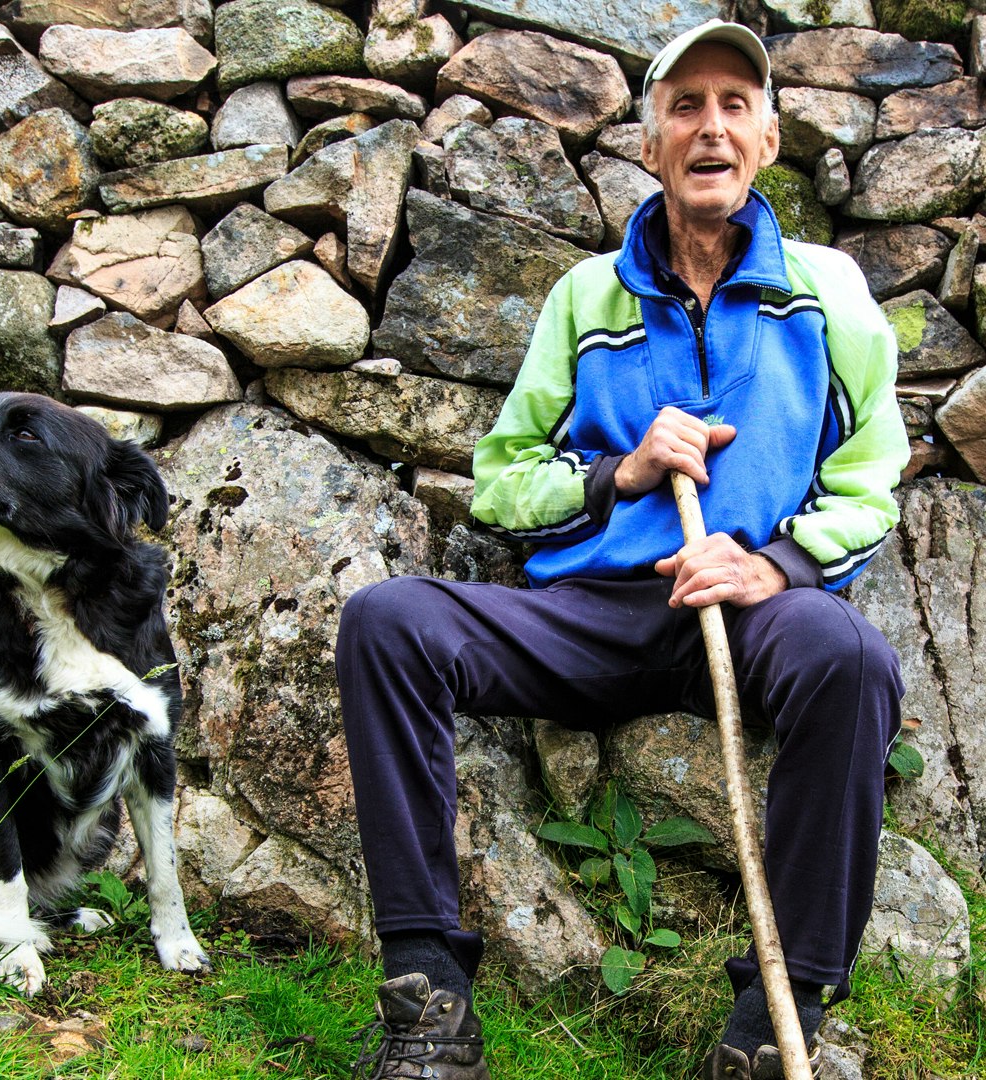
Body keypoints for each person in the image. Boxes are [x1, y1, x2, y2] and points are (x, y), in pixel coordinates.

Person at [337, 19, 911, 1080]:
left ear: (768, 140)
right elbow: (503, 481)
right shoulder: (586, 298)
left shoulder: (829, 295)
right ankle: (429, 1008)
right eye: (685, 106)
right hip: (592, 616)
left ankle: (773, 1029)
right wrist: (622, 475)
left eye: (734, 106)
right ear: (652, 145)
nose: (710, 127)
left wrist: (773, 566)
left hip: (750, 613)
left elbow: (874, 475)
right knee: (389, 621)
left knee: (854, 660)